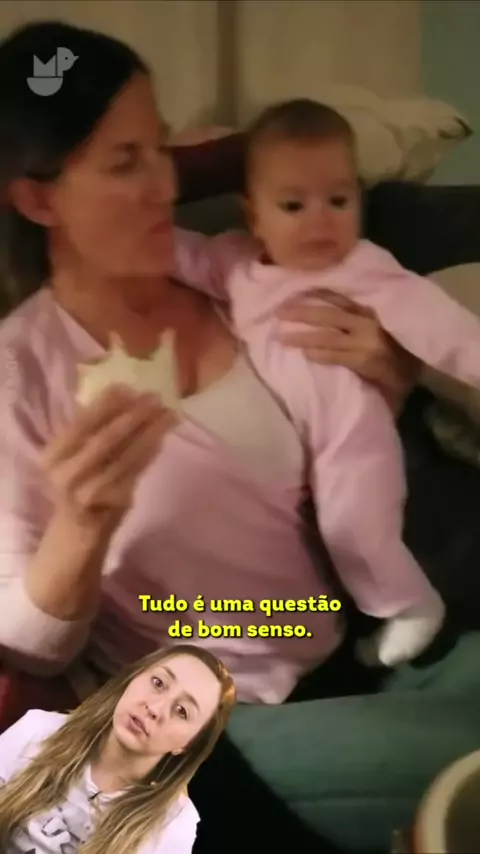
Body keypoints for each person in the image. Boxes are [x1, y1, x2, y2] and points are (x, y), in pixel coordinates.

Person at [1, 19, 480, 854]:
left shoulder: (240, 272)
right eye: (124, 162)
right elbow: (26, 645)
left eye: (160, 149)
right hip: (218, 726)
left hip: (364, 644)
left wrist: (396, 375)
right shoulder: (19, 374)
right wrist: (82, 526)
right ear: (40, 199)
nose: (163, 184)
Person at [0, 644, 235, 854]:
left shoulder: (173, 825)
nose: (155, 708)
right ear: (133, 678)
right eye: (158, 683)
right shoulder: (39, 730)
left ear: (186, 745)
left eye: (182, 711)